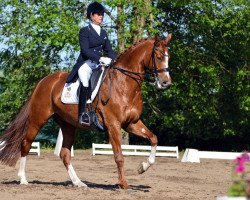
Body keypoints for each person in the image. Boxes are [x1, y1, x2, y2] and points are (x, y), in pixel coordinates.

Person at [66, 1, 117, 125]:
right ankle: (82, 114)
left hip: (99, 64)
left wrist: (115, 60)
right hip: (86, 63)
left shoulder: (103, 33)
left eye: (102, 14)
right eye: (98, 14)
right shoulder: (85, 31)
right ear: (91, 15)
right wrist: (100, 58)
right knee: (84, 77)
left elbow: (109, 50)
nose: (101, 16)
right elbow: (85, 50)